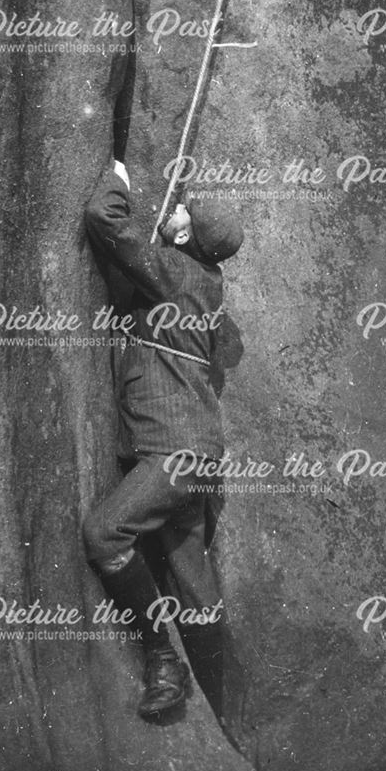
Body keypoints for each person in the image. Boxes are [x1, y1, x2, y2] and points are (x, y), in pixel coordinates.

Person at [83, 156, 243, 722]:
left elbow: (103, 217)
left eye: (182, 212)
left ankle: (162, 658)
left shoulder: (177, 273)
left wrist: (118, 178)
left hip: (175, 451)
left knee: (106, 534)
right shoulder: (206, 281)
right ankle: (220, 708)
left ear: (188, 236)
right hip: (189, 448)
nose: (174, 210)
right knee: (193, 585)